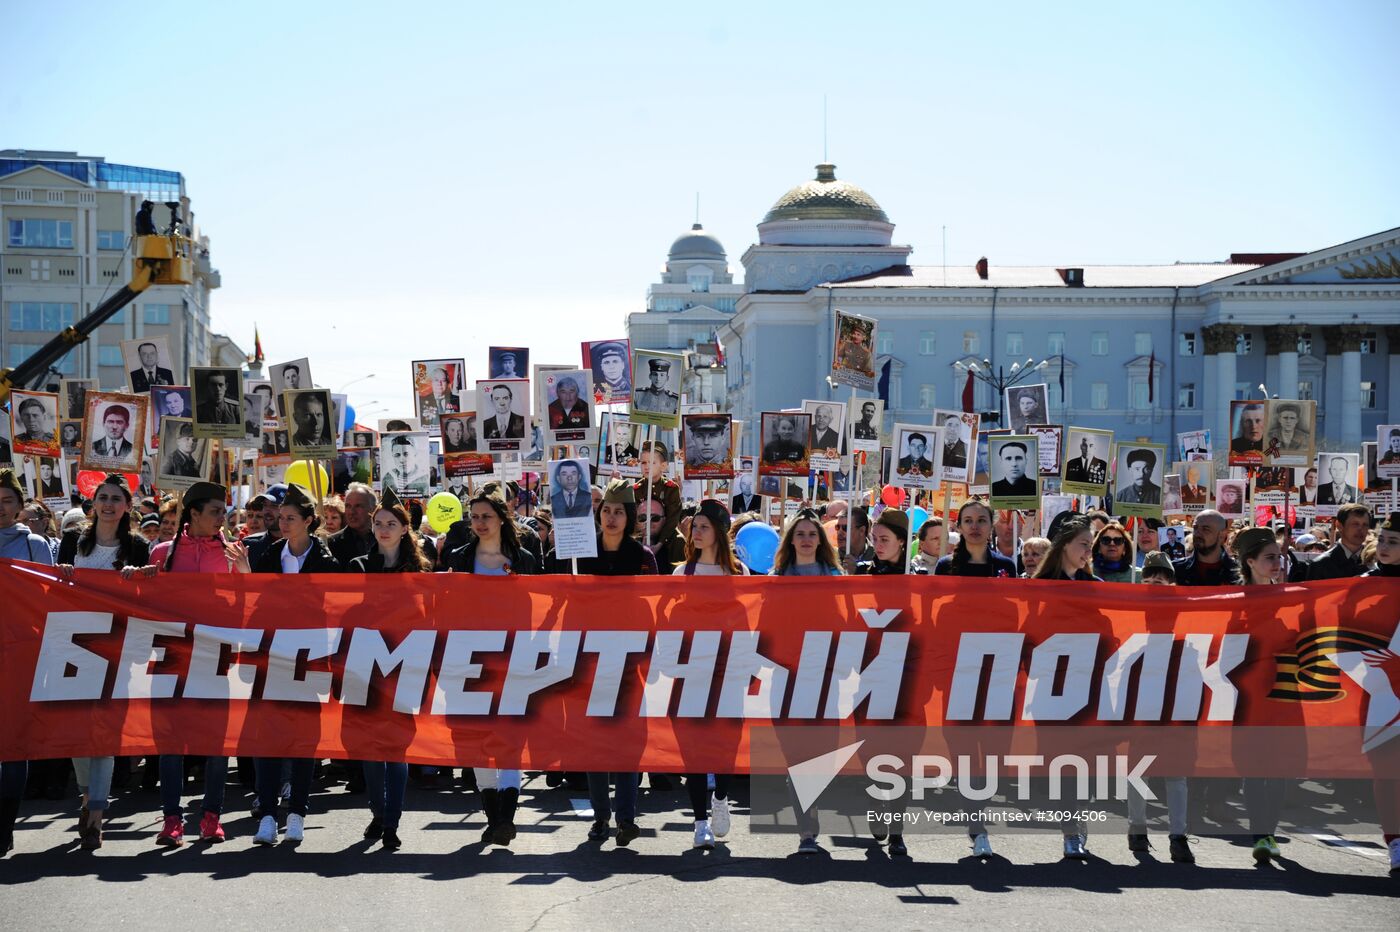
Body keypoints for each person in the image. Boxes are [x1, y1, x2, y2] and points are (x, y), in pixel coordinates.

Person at [547, 480, 652, 844]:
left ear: (629, 517)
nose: (611, 517)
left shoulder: (642, 556)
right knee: (594, 741)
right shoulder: (581, 552)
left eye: (618, 512)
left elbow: (653, 605)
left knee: (627, 742)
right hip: (588, 658)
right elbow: (561, 598)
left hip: (629, 659)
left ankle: (626, 817)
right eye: (606, 510)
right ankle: (600, 817)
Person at [54, 474, 156, 849]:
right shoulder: (71, 540)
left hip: (117, 649)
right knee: (78, 730)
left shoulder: (138, 547)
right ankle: (86, 795)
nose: (109, 504)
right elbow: (55, 591)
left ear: (127, 507)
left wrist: (137, 580)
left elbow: (148, 598)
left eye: (116, 499)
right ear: (93, 503)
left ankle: (97, 812)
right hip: (74, 647)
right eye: (103, 498)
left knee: (105, 732)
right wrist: (63, 576)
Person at [149, 482, 249, 846]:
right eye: (215, 511)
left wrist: (245, 571)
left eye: (224, 511)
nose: (223, 518)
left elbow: (248, 605)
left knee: (216, 743)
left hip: (215, 656)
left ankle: (211, 816)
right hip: (172, 657)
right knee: (171, 743)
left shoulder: (233, 553)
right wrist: (134, 576)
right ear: (193, 514)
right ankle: (172, 820)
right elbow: (146, 602)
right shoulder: (162, 553)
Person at [444, 490, 537, 846]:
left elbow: (537, 607)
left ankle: (505, 817)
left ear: (501, 519)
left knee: (511, 739)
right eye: (475, 517)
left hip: (514, 659)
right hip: (469, 661)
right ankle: (495, 817)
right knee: (477, 738)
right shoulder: (459, 558)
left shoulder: (523, 559)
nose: (480, 523)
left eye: (486, 516)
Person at [251, 483, 341, 847]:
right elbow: (256, 606)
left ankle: (298, 813)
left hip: (312, 658)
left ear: (308, 521)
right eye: (281, 517)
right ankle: (267, 815)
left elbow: (335, 612)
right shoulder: (271, 555)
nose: (283, 523)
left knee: (304, 739)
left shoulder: (328, 561)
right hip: (274, 657)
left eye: (290, 518)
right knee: (268, 738)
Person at [347, 488, 430, 850]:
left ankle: (392, 821)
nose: (383, 529)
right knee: (370, 747)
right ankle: (378, 812)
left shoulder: (421, 572)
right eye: (378, 523)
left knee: (397, 748)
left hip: (406, 663)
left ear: (404, 529)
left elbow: (430, 619)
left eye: (391, 524)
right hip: (367, 663)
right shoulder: (359, 567)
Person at [672, 499, 745, 850]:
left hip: (728, 671)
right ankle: (700, 822)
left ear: (719, 532)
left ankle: (721, 798)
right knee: (693, 749)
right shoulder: (681, 574)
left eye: (703, 526)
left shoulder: (738, 574)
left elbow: (748, 621)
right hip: (690, 672)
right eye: (694, 526)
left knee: (726, 746)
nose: (696, 532)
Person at [1227, 525, 1291, 863]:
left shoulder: (1289, 598)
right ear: (1250, 562)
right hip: (1249, 698)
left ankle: (1270, 832)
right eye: (1269, 558)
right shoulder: (1233, 603)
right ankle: (1260, 834)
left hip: (1283, 697)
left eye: (1279, 557)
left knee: (1279, 770)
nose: (1277, 563)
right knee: (1253, 769)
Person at [0, 469, 56, 855]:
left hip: (20, 653)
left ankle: (5, 825)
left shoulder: (34, 544)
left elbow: (49, 598)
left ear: (20, 506)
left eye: (7, 501)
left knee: (13, 746)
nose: (0, 508)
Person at [633, 440, 682, 545]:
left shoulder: (671, 489)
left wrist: (659, 543)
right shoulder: (636, 489)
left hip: (665, 537)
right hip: (642, 535)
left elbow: (672, 520)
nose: (647, 466)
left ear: (663, 466)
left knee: (679, 541)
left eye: (652, 462)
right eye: (643, 462)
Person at [1308, 503, 1372, 580]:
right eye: (1355, 524)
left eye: (1365, 525)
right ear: (1339, 525)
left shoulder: (1375, 561)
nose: (1360, 529)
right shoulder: (1320, 565)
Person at [772, 508, 844, 576]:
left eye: (812, 534)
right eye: (800, 534)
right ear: (791, 539)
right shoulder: (776, 576)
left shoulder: (837, 575)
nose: (806, 540)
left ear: (820, 539)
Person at [1172, 510, 1236, 585]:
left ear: (1222, 534)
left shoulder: (1238, 572)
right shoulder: (1175, 570)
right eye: (1195, 528)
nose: (1197, 534)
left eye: (1205, 529)